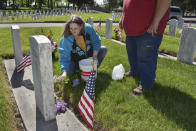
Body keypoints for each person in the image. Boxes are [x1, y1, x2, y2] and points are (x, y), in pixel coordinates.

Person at [119, 0, 171, 95]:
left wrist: (156, 20)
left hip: (148, 29)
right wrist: (123, 18)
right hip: (131, 28)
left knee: (146, 58)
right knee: (132, 54)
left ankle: (146, 84)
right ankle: (134, 71)